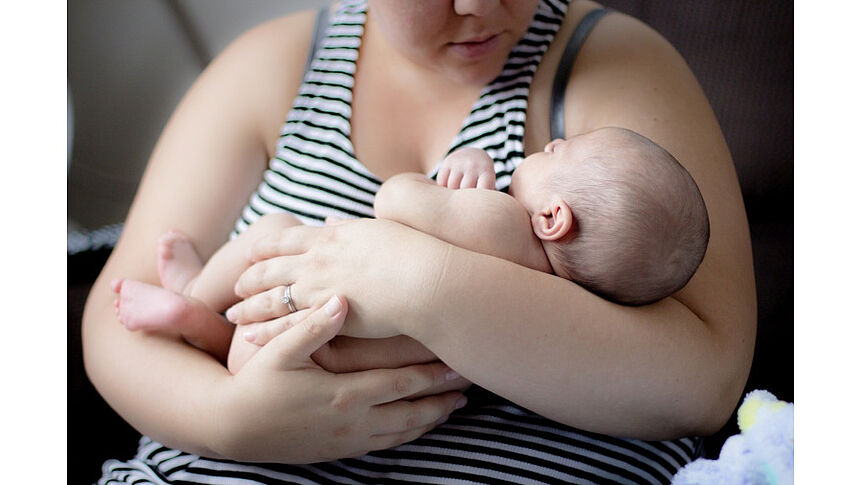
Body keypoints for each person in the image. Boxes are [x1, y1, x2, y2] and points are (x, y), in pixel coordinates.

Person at [83, 0, 756, 483]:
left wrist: (418, 283)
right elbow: (115, 325)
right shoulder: (267, 68)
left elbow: (705, 379)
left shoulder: (614, 68)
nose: (480, 7)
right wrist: (230, 420)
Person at [110, 126, 709, 375]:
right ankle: (197, 324)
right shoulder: (555, 310)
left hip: (302, 301)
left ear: (553, 219)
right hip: (332, 358)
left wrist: (456, 170)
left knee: (272, 230)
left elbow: (395, 202)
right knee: (248, 348)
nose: (549, 143)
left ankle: (194, 296)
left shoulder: (503, 221)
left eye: (560, 154)